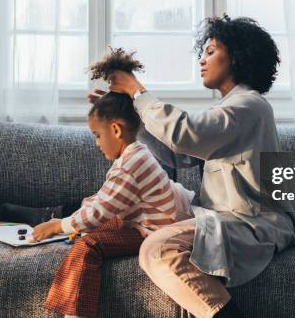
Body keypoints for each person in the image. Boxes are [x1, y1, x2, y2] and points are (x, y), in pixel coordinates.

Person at [97, 14, 295, 318]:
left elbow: (184, 134)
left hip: (253, 223)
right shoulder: (228, 107)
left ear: (236, 57)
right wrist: (131, 121)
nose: (202, 60)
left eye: (211, 51)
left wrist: (136, 91)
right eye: (202, 52)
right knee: (148, 210)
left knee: (157, 249)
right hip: (222, 215)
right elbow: (178, 156)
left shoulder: (249, 106)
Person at [32, 91, 195, 318]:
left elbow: (99, 212)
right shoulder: (134, 155)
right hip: (149, 221)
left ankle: (75, 314)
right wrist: (75, 221)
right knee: (90, 228)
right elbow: (102, 200)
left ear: (116, 130)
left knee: (87, 246)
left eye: (97, 135)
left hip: (156, 230)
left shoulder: (131, 164)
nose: (97, 143)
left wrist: (59, 226)